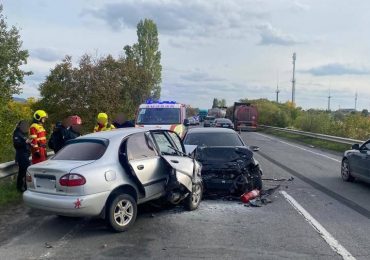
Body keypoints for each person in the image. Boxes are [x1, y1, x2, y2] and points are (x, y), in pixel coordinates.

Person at [13, 120, 31, 192]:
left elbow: (25, 143)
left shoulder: (23, 134)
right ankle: (20, 187)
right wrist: (26, 142)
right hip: (21, 155)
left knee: (24, 171)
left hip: (25, 155)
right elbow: (16, 145)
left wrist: (29, 143)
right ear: (20, 126)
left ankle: (23, 187)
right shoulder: (17, 133)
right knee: (23, 172)